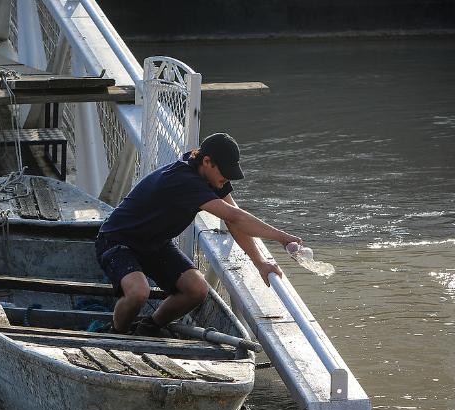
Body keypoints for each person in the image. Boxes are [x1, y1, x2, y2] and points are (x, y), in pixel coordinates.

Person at [95, 132, 302, 335]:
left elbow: (234, 220)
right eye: (225, 172)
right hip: (118, 240)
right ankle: (117, 334)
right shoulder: (185, 181)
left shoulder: (207, 174)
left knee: (197, 290)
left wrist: (260, 263)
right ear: (207, 161)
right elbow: (236, 217)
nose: (227, 179)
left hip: (154, 243)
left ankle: (148, 327)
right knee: (139, 292)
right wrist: (283, 238)